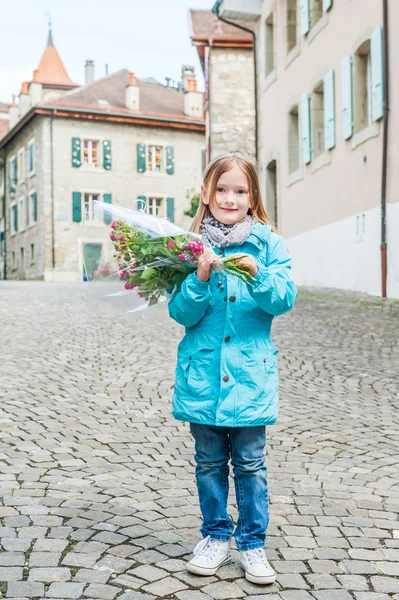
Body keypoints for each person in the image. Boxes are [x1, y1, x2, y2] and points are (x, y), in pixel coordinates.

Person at [168, 151, 298, 585]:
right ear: (206, 193)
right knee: (208, 461)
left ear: (252, 195)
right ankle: (215, 536)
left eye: (239, 191)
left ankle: (252, 543)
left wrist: (260, 274)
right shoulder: (189, 247)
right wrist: (198, 280)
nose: (229, 198)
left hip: (249, 376)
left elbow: (283, 300)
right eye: (221, 189)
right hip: (203, 374)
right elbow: (181, 314)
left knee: (250, 463)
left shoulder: (268, 243)